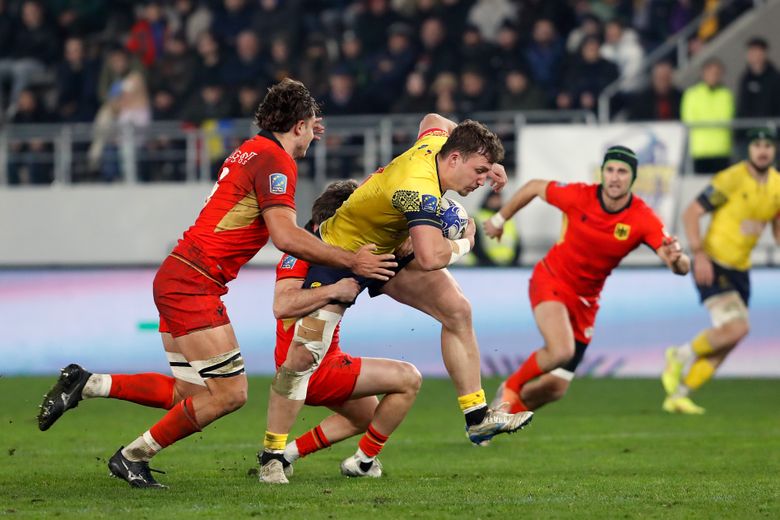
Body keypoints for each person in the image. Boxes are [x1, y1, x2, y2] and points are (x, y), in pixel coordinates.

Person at [36, 79, 396, 488]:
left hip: (178, 273)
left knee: (190, 393)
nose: (315, 133)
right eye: (311, 124)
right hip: (194, 281)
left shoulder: (251, 150)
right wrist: (354, 260)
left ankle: (88, 384)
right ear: (297, 125)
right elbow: (286, 236)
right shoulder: (276, 161)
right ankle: (133, 455)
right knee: (230, 394)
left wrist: (303, 117)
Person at [258, 113, 534, 484]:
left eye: (486, 172)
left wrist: (491, 160)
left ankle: (476, 416)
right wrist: (468, 239)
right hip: (340, 255)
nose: (481, 181)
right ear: (454, 160)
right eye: (478, 171)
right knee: (301, 357)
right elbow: (431, 257)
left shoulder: (437, 143)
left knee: (457, 310)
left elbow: (434, 118)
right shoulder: (417, 187)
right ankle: (273, 455)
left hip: (386, 249)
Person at [484, 146, 690, 413]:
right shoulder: (579, 195)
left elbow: (679, 266)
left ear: (633, 178)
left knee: (555, 388)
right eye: (610, 170)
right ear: (602, 173)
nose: (615, 177)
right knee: (560, 351)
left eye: (623, 171)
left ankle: (495, 419)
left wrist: (678, 259)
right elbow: (534, 186)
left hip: (586, 302)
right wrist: (500, 219)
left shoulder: (642, 218)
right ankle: (509, 389)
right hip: (552, 280)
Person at [273, 180, 422, 479]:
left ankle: (287, 455)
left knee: (368, 416)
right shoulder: (303, 255)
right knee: (409, 379)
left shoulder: (347, 254)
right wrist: (334, 289)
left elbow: (406, 252)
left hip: (323, 360)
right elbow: (283, 306)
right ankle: (364, 462)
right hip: (311, 367)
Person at [661, 127, 780, 414]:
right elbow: (691, 212)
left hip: (741, 269)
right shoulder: (731, 179)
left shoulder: (777, 185)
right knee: (738, 328)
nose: (762, 150)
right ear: (748, 150)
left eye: (767, 144)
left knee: (729, 339)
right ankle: (679, 355)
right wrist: (699, 253)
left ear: (774, 149)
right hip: (713, 263)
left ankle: (678, 395)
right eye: (756, 144)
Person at [681, 58, 735, 175]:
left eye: (716, 73)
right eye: (710, 72)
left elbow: (727, 117)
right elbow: (688, 120)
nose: (713, 76)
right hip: (699, 150)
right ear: (703, 73)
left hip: (722, 150)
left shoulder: (726, 94)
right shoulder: (692, 94)